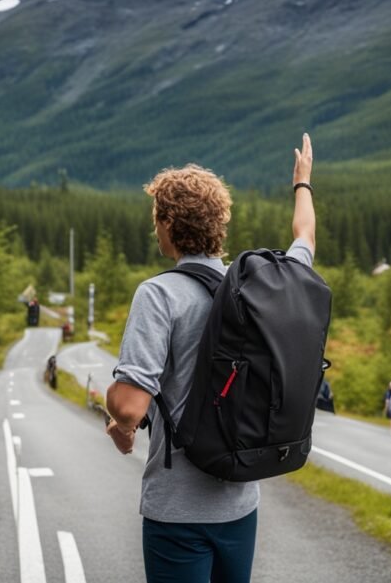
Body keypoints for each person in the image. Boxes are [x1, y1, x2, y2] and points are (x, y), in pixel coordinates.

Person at [105, 133, 317, 582]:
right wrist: (303, 183)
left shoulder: (158, 294)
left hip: (177, 508)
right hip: (241, 503)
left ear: (166, 224)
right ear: (220, 224)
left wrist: (121, 429)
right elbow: (305, 238)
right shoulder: (262, 288)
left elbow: (129, 406)